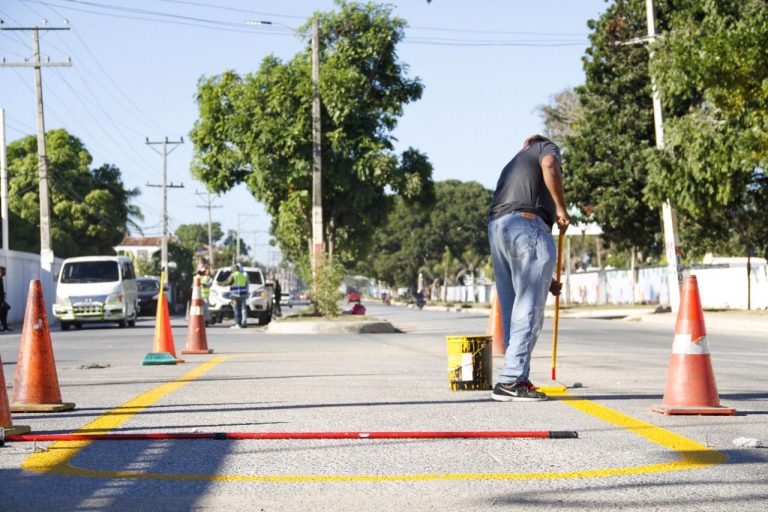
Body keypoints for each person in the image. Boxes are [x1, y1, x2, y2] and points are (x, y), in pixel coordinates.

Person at [487, 134, 570, 402]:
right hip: (527, 223)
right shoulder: (546, 147)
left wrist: (546, 279)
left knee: (514, 308)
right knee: (529, 309)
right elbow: (549, 165)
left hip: (499, 228)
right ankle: (512, 379)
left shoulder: (513, 163)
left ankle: (514, 377)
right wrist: (561, 209)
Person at [225, 263, 249, 328]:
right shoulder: (242, 275)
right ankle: (240, 323)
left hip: (234, 295)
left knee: (236, 309)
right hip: (242, 294)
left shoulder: (233, 275)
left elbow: (227, 282)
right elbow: (246, 284)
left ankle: (237, 323)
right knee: (241, 309)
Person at [0, 266, 10, 331]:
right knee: (3, 311)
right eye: (4, 271)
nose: (5, 272)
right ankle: (4, 326)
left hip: (1, 299)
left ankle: (5, 326)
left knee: (5, 310)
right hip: (0, 300)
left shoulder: (1, 279)